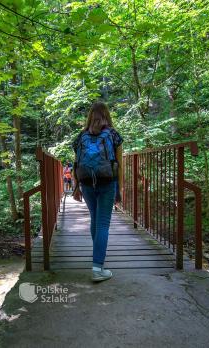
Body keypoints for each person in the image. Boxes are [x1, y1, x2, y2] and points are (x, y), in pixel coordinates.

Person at [72, 102, 123, 282]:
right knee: (102, 224)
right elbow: (119, 164)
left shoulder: (81, 136)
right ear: (107, 115)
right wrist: (119, 187)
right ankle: (97, 267)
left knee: (95, 219)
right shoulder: (113, 135)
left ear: (90, 116)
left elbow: (76, 163)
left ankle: (97, 258)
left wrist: (76, 186)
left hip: (86, 183)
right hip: (107, 181)